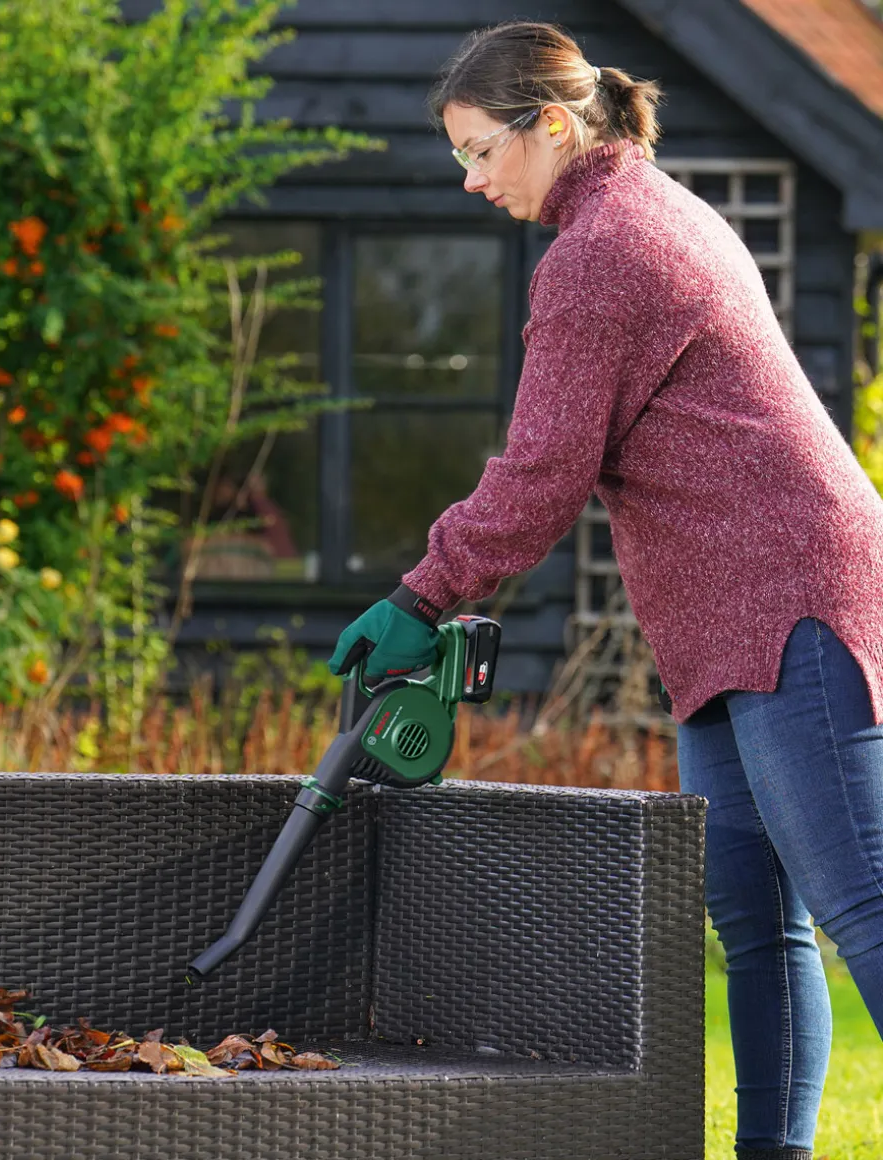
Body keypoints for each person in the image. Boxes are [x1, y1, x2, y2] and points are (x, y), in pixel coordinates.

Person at [326, 21, 883, 1160]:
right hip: (728, 617)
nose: (473, 180)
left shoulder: (602, 251)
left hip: (787, 600)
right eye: (460, 158)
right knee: (754, 917)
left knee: (858, 902)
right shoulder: (640, 209)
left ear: (551, 125)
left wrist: (420, 595)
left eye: (482, 151)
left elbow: (538, 477)